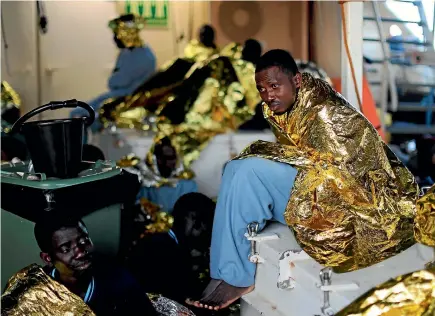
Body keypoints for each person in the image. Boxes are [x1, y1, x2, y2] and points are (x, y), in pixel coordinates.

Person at [186, 49, 417, 310]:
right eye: (261, 89)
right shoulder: (284, 104)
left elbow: (343, 171)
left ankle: (235, 278)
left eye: (274, 86)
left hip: (350, 200)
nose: (268, 95)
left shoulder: (323, 112)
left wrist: (266, 155)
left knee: (246, 171)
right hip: (316, 180)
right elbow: (298, 155)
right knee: (238, 168)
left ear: (296, 80)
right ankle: (225, 274)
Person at [34, 215, 157, 315]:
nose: (81, 252)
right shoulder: (37, 291)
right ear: (47, 258)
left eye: (84, 240)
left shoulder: (120, 282)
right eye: (66, 249)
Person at [71, 14, 156, 135]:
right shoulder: (129, 53)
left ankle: (82, 152)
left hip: (126, 100)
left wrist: (115, 77)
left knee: (79, 116)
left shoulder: (143, 57)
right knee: (78, 113)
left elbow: (117, 81)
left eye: (117, 33)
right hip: (118, 96)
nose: (115, 38)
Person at [120, 136, 198, 213]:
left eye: (171, 157)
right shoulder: (147, 183)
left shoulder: (188, 185)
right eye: (162, 157)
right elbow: (139, 207)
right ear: (155, 159)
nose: (168, 162)